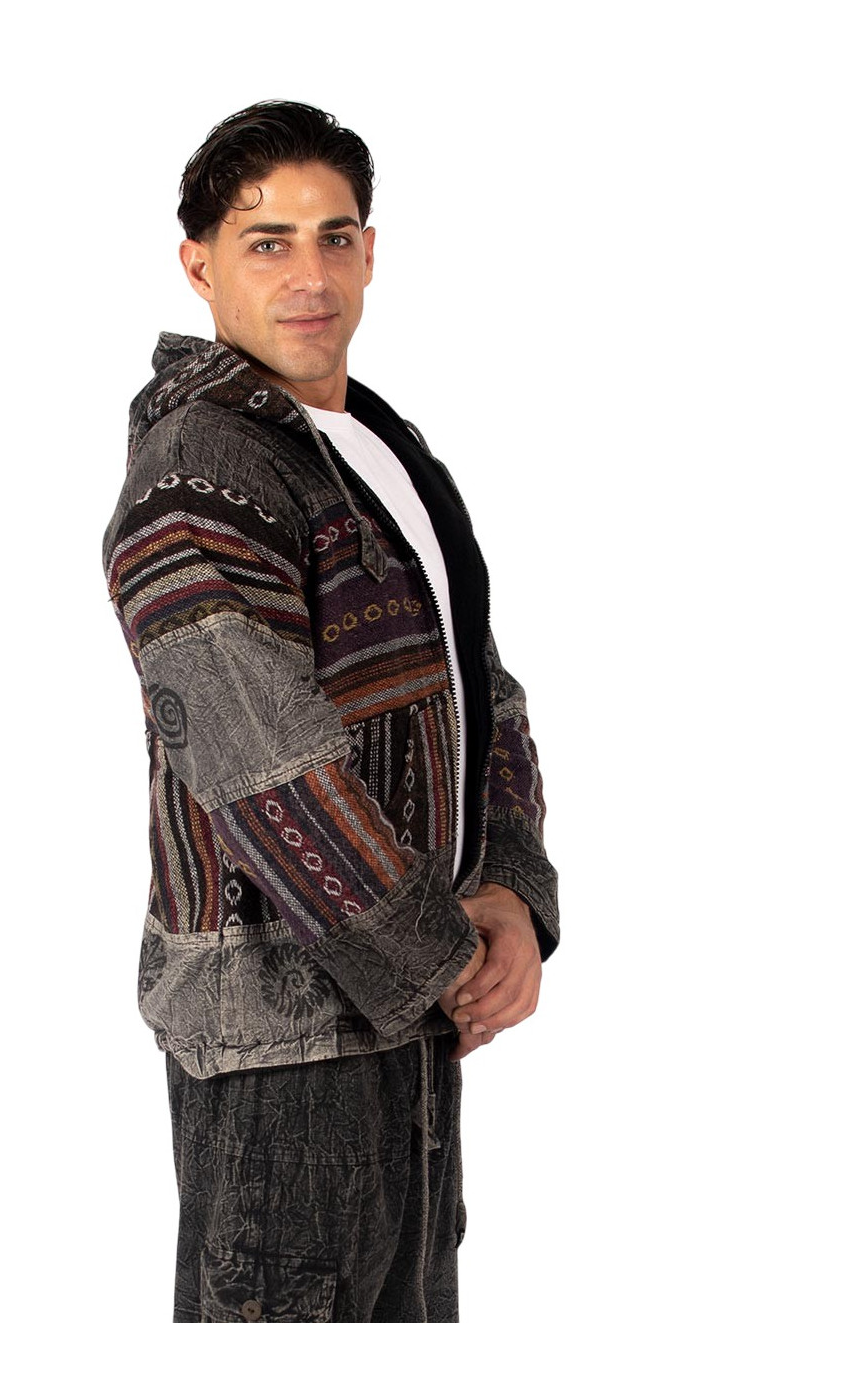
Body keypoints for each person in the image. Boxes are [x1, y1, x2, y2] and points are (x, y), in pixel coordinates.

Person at [101, 100, 560, 1323]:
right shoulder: (200, 470)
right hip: (279, 1050)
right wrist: (448, 962)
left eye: (333, 236)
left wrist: (509, 890)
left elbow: (481, 685)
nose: (308, 276)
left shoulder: (374, 449)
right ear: (197, 263)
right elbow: (262, 766)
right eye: (266, 242)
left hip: (404, 1026)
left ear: (368, 251)